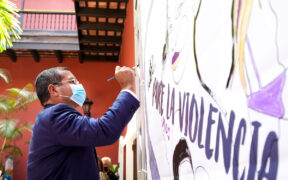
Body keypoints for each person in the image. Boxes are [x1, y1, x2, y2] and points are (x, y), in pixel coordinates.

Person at [27, 66, 140, 180]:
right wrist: (128, 87)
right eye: (72, 81)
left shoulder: (51, 117)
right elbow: (104, 130)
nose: (79, 85)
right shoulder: (54, 116)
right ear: (54, 90)